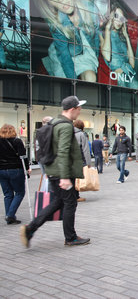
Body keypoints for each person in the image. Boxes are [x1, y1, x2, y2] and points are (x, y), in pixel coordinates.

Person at [20, 96, 90, 247]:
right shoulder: (65, 126)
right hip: (61, 173)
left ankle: (30, 229)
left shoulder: (53, 122)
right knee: (70, 202)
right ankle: (71, 238)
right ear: (72, 109)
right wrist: (65, 177)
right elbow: (63, 152)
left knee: (58, 202)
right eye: (79, 108)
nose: (80, 111)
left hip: (52, 170)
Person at [35, 0, 101, 81]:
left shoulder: (90, 8)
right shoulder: (56, 23)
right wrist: (72, 81)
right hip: (64, 55)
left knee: (91, 77)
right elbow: (64, 55)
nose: (60, 0)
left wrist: (96, 59)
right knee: (65, 84)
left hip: (85, 49)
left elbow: (96, 39)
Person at [0, 124, 31, 225]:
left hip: (2, 170)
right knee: (19, 192)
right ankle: (10, 215)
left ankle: (10, 216)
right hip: (16, 169)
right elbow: (23, 156)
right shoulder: (17, 141)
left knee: (8, 194)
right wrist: (27, 168)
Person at [101, 5, 137, 88]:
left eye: (122, 19)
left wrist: (127, 37)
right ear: (110, 16)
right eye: (116, 16)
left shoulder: (122, 37)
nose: (119, 21)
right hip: (118, 77)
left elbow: (132, 64)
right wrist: (107, 29)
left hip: (129, 75)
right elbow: (107, 57)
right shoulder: (103, 33)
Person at [73, 120, 91, 202]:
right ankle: (76, 196)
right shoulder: (81, 134)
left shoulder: (68, 132)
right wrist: (88, 163)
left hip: (70, 160)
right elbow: (85, 149)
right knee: (77, 178)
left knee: (71, 178)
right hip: (79, 159)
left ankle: (72, 195)